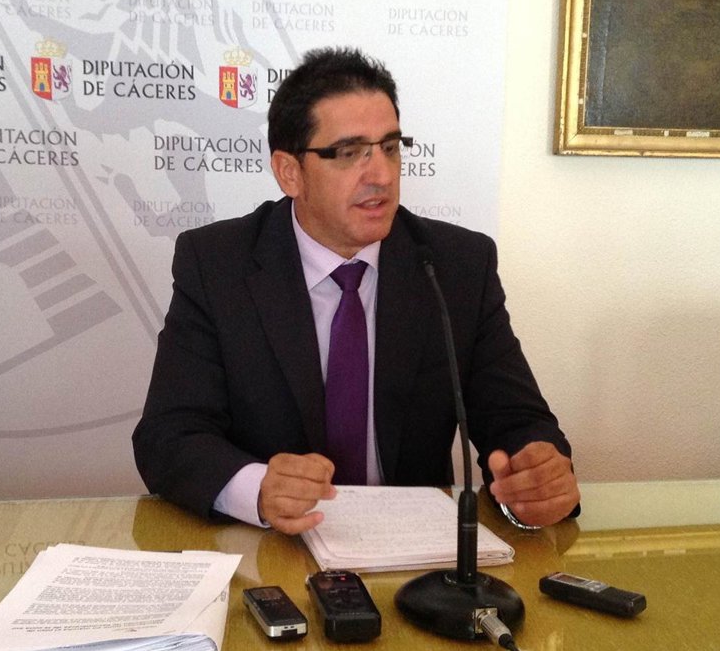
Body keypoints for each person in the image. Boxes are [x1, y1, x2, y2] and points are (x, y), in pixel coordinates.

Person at [132, 47, 579, 535]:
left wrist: (536, 481)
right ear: (289, 172)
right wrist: (257, 489)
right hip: (270, 548)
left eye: (390, 147)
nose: (381, 175)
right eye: (349, 153)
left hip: (411, 551)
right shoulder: (218, 264)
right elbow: (168, 436)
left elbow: (518, 422)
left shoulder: (456, 265)